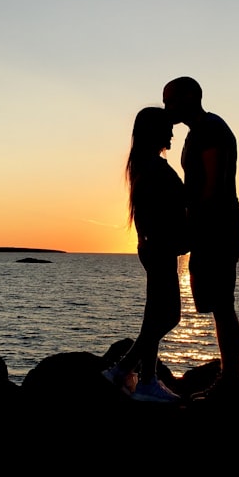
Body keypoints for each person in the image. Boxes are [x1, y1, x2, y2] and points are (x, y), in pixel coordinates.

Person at [162, 76, 239, 401]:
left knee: (223, 305)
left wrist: (191, 230)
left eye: (170, 100)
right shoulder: (196, 133)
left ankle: (231, 381)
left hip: (219, 227)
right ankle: (231, 380)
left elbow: (213, 186)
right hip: (209, 227)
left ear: (189, 97)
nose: (166, 106)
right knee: (217, 305)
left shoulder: (211, 129)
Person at [102, 106, 189, 403]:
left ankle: (148, 380)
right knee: (170, 316)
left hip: (155, 247)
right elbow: (156, 213)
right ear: (155, 130)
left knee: (153, 317)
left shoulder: (145, 163)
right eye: (168, 127)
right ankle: (125, 368)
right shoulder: (153, 167)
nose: (173, 132)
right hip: (159, 248)